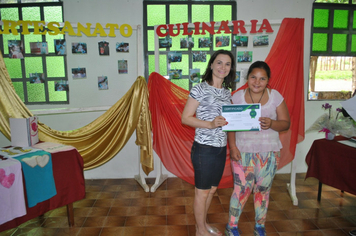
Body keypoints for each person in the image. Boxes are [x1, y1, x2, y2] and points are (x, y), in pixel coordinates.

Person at [226, 61, 290, 236]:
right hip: (242, 152)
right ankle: (232, 226)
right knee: (241, 190)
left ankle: (259, 226)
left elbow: (285, 124)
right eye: (253, 77)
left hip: (269, 152)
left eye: (262, 78)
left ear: (268, 80)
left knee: (263, 190)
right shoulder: (237, 97)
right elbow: (230, 125)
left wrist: (272, 123)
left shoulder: (275, 96)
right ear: (248, 78)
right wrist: (232, 147)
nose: (257, 82)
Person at [181, 49, 236, 236]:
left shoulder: (228, 93)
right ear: (211, 64)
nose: (223, 67)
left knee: (212, 190)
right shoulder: (199, 88)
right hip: (204, 148)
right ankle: (200, 231)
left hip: (221, 148)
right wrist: (210, 124)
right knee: (202, 192)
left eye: (227, 64)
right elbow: (186, 118)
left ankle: (201, 225)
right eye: (219, 62)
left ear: (231, 68)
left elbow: (228, 121)